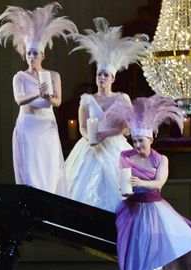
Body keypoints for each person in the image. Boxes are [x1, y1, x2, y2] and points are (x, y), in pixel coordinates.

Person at [106, 95, 191, 270]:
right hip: (132, 209)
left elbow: (159, 183)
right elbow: (123, 181)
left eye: (141, 140)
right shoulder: (125, 156)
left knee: (160, 248)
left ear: (151, 138)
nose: (137, 145)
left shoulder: (161, 159)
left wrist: (141, 181)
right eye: (134, 141)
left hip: (154, 208)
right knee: (136, 250)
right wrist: (125, 189)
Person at [64, 17, 151, 212]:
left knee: (118, 184)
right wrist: (90, 138)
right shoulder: (86, 99)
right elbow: (83, 126)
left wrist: (107, 134)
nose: (101, 78)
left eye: (105, 75)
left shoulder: (122, 98)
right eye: (98, 75)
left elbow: (126, 125)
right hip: (91, 147)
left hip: (114, 144)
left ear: (112, 77)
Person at [0, 2, 77, 196]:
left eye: (35, 54)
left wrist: (48, 96)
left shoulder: (53, 75)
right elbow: (19, 99)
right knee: (32, 169)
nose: (31, 57)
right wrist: (37, 93)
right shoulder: (19, 77)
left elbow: (57, 102)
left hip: (47, 126)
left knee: (50, 168)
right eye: (29, 53)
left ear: (43, 55)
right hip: (28, 126)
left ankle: (52, 202)